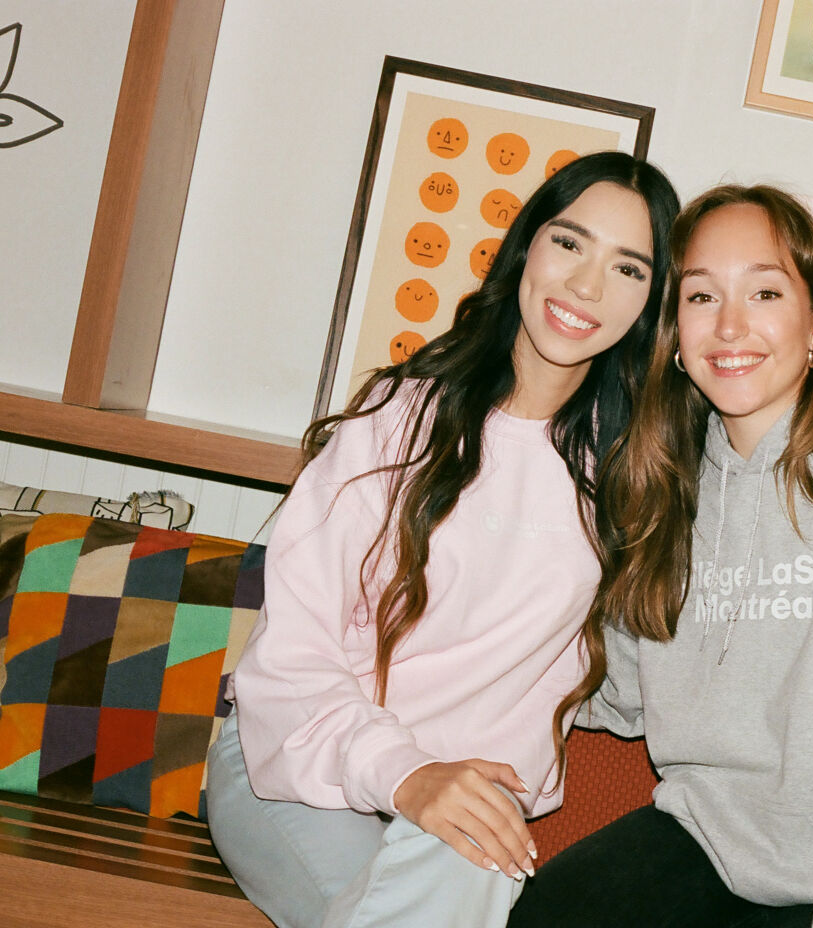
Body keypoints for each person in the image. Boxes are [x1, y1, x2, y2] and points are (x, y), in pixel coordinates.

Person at [204, 151, 679, 928]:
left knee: (473, 847)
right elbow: (290, 657)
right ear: (526, 248)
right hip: (303, 765)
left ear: (651, 302)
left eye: (628, 269)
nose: (587, 286)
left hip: (476, 810)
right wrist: (408, 773)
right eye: (569, 243)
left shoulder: (632, 479)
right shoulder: (397, 421)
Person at [509, 184, 813, 928]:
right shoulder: (663, 482)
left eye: (765, 292)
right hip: (711, 836)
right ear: (675, 332)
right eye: (702, 297)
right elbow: (612, 686)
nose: (730, 325)